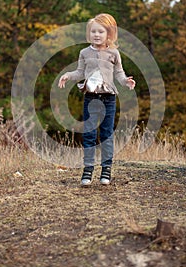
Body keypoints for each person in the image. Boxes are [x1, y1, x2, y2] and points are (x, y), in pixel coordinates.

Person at [58, 13, 136, 186]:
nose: (97, 35)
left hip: (108, 98)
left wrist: (125, 81)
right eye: (93, 31)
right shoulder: (84, 52)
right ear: (89, 33)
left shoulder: (114, 53)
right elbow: (80, 72)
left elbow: (119, 73)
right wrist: (68, 75)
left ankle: (106, 169)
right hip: (90, 98)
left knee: (107, 134)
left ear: (109, 33)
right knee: (90, 134)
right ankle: (88, 170)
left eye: (101, 31)